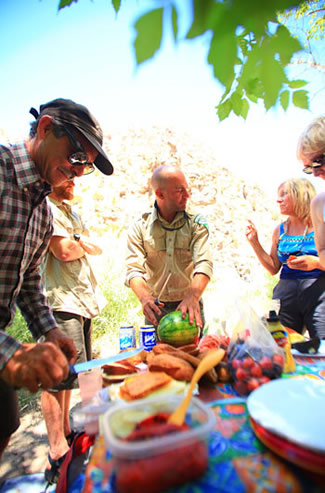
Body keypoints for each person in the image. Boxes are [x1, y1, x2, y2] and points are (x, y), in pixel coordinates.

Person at [0, 98, 113, 460]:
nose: (79, 172)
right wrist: (10, 354)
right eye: (77, 157)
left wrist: (50, 332)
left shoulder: (43, 212)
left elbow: (30, 282)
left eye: (88, 166)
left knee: (4, 427)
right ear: (46, 128)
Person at [41, 178, 105, 483]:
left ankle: (68, 434)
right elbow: (64, 251)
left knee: (75, 372)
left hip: (82, 300)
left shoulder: (71, 213)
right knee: (55, 378)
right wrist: (80, 243)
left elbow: (97, 247)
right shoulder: (47, 208)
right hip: (61, 301)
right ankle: (56, 451)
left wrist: (78, 240)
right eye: (67, 176)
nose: (74, 180)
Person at [125, 164, 213, 330]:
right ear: (160, 194)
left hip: (189, 307)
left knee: (195, 355)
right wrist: (144, 298)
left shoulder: (196, 223)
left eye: (187, 189)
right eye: (180, 190)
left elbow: (204, 263)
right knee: (156, 355)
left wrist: (192, 297)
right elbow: (134, 270)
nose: (187, 195)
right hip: (156, 309)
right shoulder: (139, 227)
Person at [246, 178, 325, 339]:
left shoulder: (320, 225)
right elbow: (273, 267)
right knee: (282, 343)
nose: (278, 199)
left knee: (322, 342)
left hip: (319, 296)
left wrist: (316, 263)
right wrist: (254, 242)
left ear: (300, 195)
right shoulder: (280, 231)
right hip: (286, 298)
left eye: (284, 194)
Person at [296, 115, 325, 268]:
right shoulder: (319, 204)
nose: (315, 173)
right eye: (308, 168)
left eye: (318, 162)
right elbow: (323, 251)